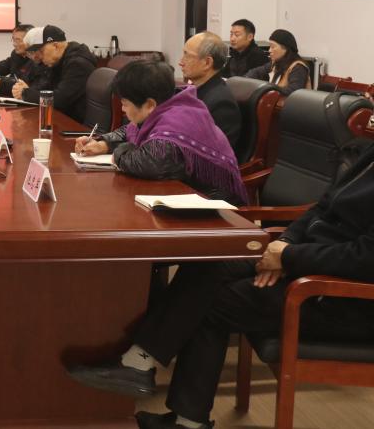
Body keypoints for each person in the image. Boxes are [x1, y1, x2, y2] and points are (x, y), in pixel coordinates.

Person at [66, 140, 374, 429]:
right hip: (308, 261)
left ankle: (184, 415)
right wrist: (285, 245)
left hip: (341, 297)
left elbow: (365, 259)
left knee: (212, 305)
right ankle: (140, 364)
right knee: (212, 263)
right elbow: (322, 208)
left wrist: (290, 258)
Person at [75, 60, 247, 205]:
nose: (122, 109)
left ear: (150, 105)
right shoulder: (168, 105)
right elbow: (130, 130)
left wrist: (120, 151)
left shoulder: (177, 122)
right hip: (184, 198)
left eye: (125, 103)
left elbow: (149, 164)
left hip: (213, 209)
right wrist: (103, 143)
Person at [12, 25, 96, 124]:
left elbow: (60, 100)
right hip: (60, 118)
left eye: (41, 51)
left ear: (55, 46)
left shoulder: (78, 64)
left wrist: (25, 93)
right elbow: (46, 88)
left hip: (74, 124)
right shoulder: (57, 61)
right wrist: (26, 90)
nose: (37, 57)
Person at [178, 31, 240, 150]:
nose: (181, 62)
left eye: (187, 55)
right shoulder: (195, 91)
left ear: (207, 63)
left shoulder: (220, 103)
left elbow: (208, 153)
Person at [245, 28, 311, 94]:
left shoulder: (298, 67)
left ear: (285, 48)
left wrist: (266, 89)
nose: (269, 50)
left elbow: (293, 92)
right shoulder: (275, 64)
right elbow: (255, 72)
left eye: (273, 47)